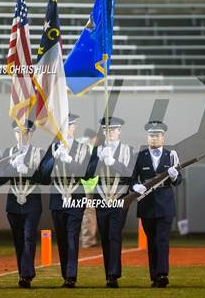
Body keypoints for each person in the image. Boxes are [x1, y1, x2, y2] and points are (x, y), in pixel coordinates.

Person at [130, 121, 182, 288]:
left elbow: (178, 181)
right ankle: (154, 276)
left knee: (162, 240)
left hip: (165, 204)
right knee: (151, 241)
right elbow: (132, 179)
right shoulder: (140, 156)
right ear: (148, 137)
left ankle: (162, 274)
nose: (154, 138)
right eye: (151, 135)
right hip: (146, 205)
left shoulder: (171, 155)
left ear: (163, 137)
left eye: (157, 135)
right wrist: (135, 186)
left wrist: (174, 176)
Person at [41, 113, 89, 288]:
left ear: (74, 127)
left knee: (71, 236)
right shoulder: (53, 148)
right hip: (57, 198)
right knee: (61, 238)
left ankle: (71, 276)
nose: (67, 129)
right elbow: (43, 176)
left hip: (75, 197)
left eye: (69, 126)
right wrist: (54, 158)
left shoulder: (83, 148)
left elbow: (85, 173)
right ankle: (66, 274)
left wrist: (68, 160)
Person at [87, 116, 135, 288]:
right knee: (105, 236)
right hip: (101, 198)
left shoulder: (128, 150)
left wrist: (113, 162)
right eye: (107, 130)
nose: (110, 133)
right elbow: (88, 174)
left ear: (119, 131)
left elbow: (130, 173)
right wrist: (99, 158)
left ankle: (113, 275)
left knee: (114, 234)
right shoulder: (97, 149)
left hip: (119, 198)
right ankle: (109, 272)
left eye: (113, 130)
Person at [0, 120, 45, 288]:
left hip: (32, 201)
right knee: (18, 239)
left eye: (24, 132)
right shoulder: (8, 152)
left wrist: (27, 170)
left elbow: (45, 179)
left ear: (31, 134)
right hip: (13, 202)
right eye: (17, 132)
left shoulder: (39, 152)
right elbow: (0, 179)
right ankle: (23, 272)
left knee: (28, 236)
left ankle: (26, 275)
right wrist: (10, 166)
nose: (21, 135)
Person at [80, 128, 100, 248]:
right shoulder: (90, 149)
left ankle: (85, 239)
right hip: (89, 187)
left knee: (85, 214)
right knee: (89, 214)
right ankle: (88, 241)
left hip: (83, 187)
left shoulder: (80, 148)